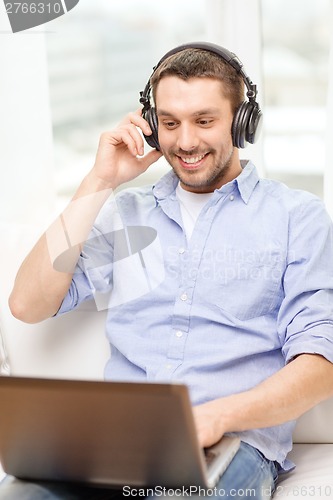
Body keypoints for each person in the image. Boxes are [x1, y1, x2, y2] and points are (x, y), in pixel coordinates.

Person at [4, 41, 333, 499]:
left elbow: (321, 365)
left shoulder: (296, 217)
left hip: (230, 444)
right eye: (170, 123)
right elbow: (27, 303)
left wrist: (218, 416)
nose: (185, 141)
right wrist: (100, 180)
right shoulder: (127, 213)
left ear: (241, 123)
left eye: (204, 120)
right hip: (115, 442)